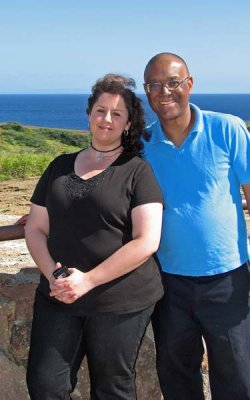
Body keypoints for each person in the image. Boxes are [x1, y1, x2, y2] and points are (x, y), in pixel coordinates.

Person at [142, 53, 250, 400]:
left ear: (189, 84)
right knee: (177, 379)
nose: (164, 92)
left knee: (234, 380)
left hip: (228, 280)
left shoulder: (226, 127)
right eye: (154, 85)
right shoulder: (142, 145)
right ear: (146, 92)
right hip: (168, 283)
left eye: (172, 82)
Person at [24, 74, 164, 400]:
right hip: (58, 295)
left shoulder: (137, 171)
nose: (107, 120)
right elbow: (35, 227)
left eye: (117, 114)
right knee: (45, 385)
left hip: (119, 299)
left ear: (128, 124)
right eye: (101, 111)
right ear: (89, 115)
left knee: (111, 389)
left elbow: (147, 240)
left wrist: (87, 281)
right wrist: (55, 277)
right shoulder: (58, 166)